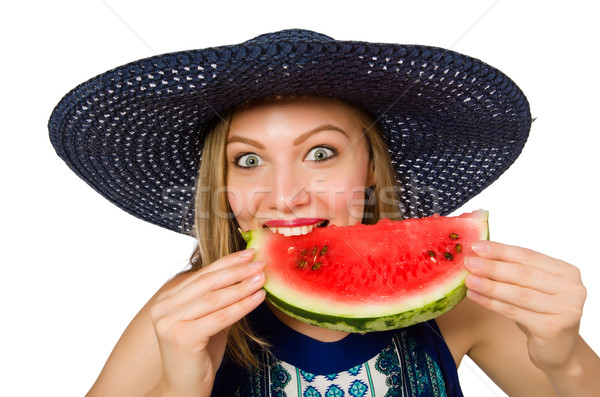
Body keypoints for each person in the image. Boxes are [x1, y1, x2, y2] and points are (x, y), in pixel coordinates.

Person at [49, 30, 600, 396]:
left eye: (321, 153)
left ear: (371, 170)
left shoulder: (462, 303)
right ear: (221, 186)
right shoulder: (179, 315)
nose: (284, 195)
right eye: (246, 160)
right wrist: (180, 385)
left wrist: (565, 357)